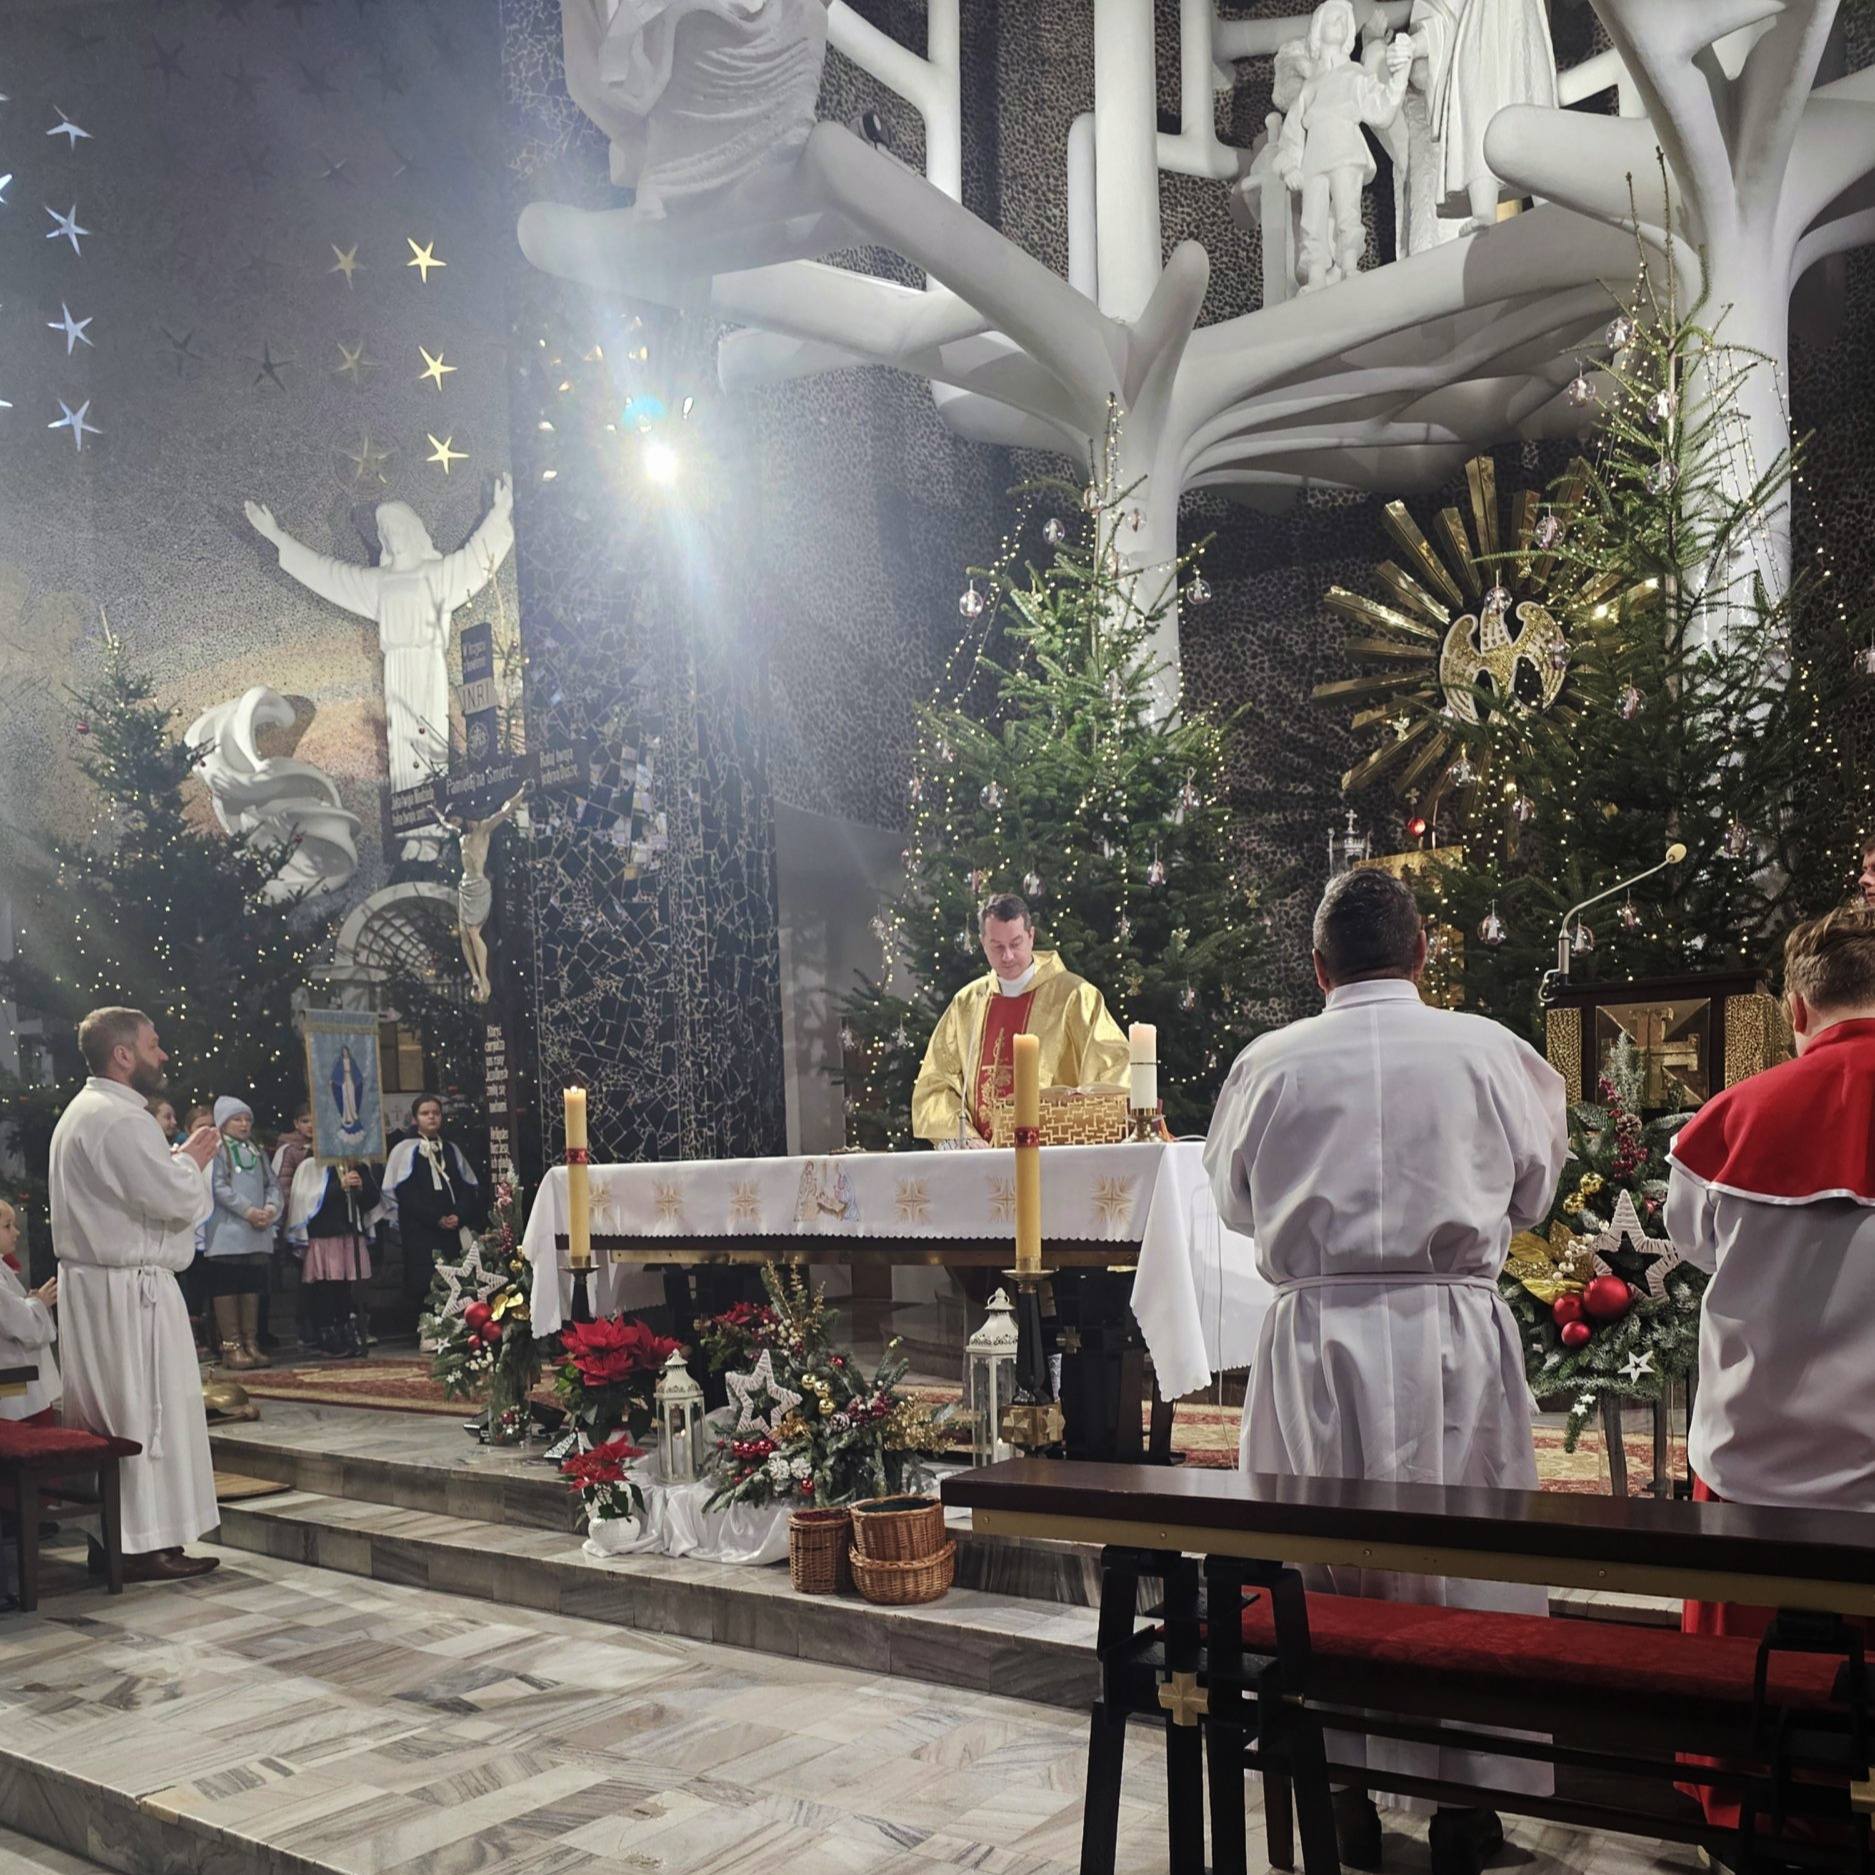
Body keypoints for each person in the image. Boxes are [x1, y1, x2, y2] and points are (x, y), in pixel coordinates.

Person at [1203, 868, 1568, 1872]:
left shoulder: (1267, 1064)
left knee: (1322, 1566)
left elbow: (1234, 1202)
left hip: (1315, 1337)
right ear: (1421, 955)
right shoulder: (1489, 1051)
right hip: (1452, 1330)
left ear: (1318, 967)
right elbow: (1535, 1192)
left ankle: (1341, 1793)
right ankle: (1467, 1805)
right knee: (1470, 1561)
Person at [1666, 905, 1875, 1824]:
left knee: (1739, 1699)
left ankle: (1739, 1814)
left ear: (1795, 1007)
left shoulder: (1732, 1118)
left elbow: (1695, 1244)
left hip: (1754, 1476)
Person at [49, 1007, 223, 1581]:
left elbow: (135, 1192)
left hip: (103, 1289)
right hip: (128, 1295)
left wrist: (175, 1164)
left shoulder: (86, 1111)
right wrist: (192, 1162)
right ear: (123, 1055)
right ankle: (143, 1547)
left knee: (115, 1412)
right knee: (145, 1413)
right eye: (153, 1045)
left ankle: (116, 1540)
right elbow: (171, 1198)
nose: (162, 1055)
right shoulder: (120, 1119)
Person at [912, 892, 1130, 1146]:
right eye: (997, 947)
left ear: (1031, 936)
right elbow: (935, 1085)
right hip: (979, 1156)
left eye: (1015, 944)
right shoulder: (967, 1004)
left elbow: (1114, 1072)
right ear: (983, 943)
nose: (1007, 956)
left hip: (1051, 1152)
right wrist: (965, 1137)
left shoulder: (1075, 996)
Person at [203, 1096, 283, 1372]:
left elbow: (272, 1184)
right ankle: (231, 1344)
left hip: (256, 1231)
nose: (244, 1124)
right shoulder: (218, 1150)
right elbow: (218, 1186)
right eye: (237, 1119)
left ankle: (250, 1341)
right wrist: (248, 1210)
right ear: (223, 1122)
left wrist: (270, 1209)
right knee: (227, 1284)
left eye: (247, 1119)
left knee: (251, 1284)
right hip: (228, 1231)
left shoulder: (257, 1151)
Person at [287, 1156, 382, 1358]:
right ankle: (326, 1332)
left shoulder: (357, 1165)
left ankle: (344, 1328)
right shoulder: (312, 1165)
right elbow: (309, 1201)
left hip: (349, 1232)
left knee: (345, 1287)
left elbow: (372, 1200)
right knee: (326, 1286)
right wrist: (340, 1186)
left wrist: (361, 1186)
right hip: (325, 1235)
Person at [384, 1093, 486, 1280]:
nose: (431, 1117)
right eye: (425, 1113)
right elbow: (405, 1194)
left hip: (452, 1231)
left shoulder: (451, 1149)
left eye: (436, 1113)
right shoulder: (404, 1150)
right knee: (424, 1283)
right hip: (420, 1233)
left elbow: (467, 1186)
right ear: (415, 1119)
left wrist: (459, 1215)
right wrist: (436, 1218)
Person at [0, 1197, 60, 1424]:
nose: (16, 1233)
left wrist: (30, 1302)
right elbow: (23, 1325)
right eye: (7, 1226)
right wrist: (39, 1302)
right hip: (15, 1394)